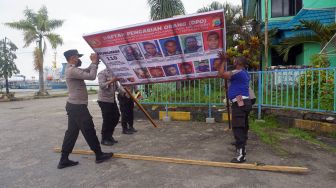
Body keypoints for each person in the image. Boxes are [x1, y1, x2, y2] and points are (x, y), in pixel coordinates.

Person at [58, 49, 113, 169]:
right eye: (77, 57)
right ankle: (99, 155)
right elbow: (92, 76)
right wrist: (94, 63)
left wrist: (95, 63)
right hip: (77, 107)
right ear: (73, 58)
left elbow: (87, 70)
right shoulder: (72, 70)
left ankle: (64, 159)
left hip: (74, 106)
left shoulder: (72, 69)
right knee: (89, 130)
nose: (79, 59)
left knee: (71, 133)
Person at [217, 56, 252, 163]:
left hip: (240, 104)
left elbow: (221, 74)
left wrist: (223, 61)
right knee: (243, 127)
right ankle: (240, 146)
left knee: (238, 128)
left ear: (238, 62)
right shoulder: (244, 73)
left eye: (235, 60)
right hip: (244, 103)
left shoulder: (238, 72)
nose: (233, 61)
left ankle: (241, 155)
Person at [97, 68, 120, 146]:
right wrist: (112, 81)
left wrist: (124, 92)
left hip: (112, 100)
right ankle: (104, 138)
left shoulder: (114, 73)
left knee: (116, 117)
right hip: (104, 100)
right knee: (107, 120)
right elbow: (102, 85)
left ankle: (109, 135)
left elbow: (117, 87)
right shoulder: (102, 73)